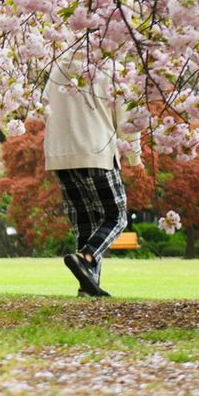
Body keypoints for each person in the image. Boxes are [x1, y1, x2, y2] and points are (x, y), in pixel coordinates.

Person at [44, 59, 131, 297]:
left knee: (86, 224)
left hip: (61, 157)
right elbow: (127, 120)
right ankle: (87, 257)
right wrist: (135, 156)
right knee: (116, 217)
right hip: (96, 151)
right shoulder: (112, 68)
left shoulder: (58, 69)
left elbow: (46, 107)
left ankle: (88, 286)